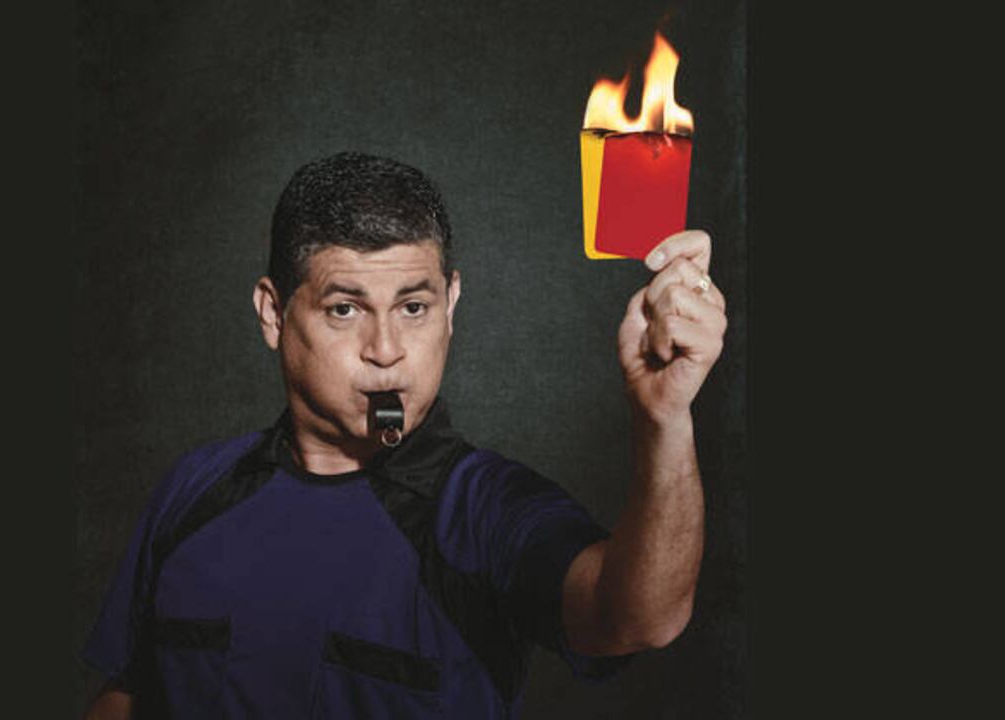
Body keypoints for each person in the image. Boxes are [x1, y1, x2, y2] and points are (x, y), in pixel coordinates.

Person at [80, 151, 727, 719]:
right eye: (345, 309)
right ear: (274, 314)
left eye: (413, 308)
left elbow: (639, 617)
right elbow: (126, 699)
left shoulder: (484, 508)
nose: (386, 350)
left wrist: (664, 419)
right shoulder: (195, 489)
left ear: (451, 305)